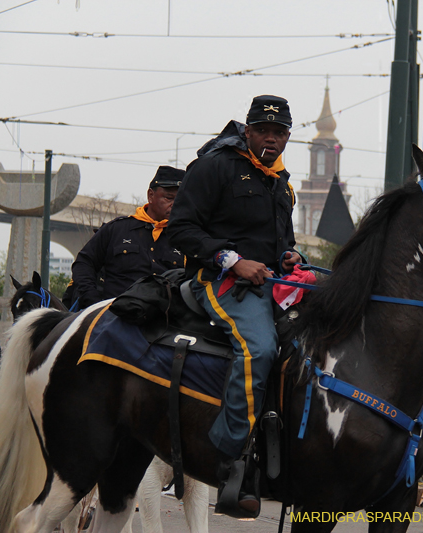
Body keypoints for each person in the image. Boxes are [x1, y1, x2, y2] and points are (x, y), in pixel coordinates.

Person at [167, 95, 301, 516]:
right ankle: (231, 460)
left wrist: (289, 258)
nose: (271, 139)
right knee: (259, 349)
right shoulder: (215, 167)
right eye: (264, 130)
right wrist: (232, 260)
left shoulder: (281, 182)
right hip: (218, 281)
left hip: (272, 285)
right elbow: (181, 229)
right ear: (247, 131)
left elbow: (283, 243)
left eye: (279, 133)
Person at [71, 166, 184, 308]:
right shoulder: (117, 229)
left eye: (181, 199)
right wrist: (92, 302)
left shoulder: (184, 239)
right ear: (150, 196)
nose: (175, 204)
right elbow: (84, 263)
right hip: (114, 315)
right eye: (169, 198)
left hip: (165, 320)